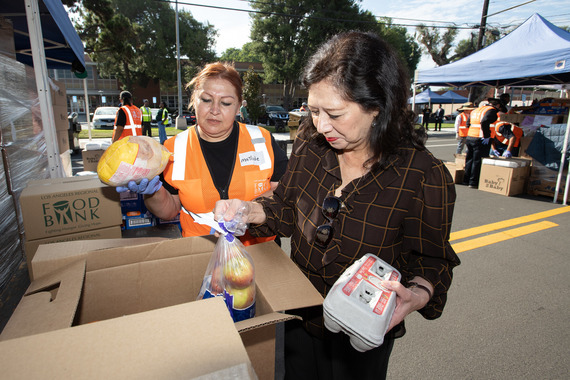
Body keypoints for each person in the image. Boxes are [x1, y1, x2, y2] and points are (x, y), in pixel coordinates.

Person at [214, 31, 460, 380]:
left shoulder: (422, 175)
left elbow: (433, 258)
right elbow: (285, 207)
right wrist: (249, 210)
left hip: (359, 335)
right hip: (299, 318)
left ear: (377, 107)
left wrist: (418, 294)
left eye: (335, 113)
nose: (321, 125)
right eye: (313, 110)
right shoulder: (312, 144)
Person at [118, 62, 288, 245]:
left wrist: (249, 209)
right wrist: (152, 193)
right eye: (206, 100)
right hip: (200, 253)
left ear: (239, 106)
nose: (214, 110)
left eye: (226, 103)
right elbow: (168, 211)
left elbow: (284, 194)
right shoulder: (173, 149)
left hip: (262, 252)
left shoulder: (261, 140)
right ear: (193, 100)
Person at [462, 98, 502, 188]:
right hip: (480, 138)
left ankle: (466, 180)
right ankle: (473, 182)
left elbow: (468, 123)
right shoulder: (491, 111)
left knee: (469, 159)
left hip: (470, 137)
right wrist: (487, 135)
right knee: (477, 161)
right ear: (497, 105)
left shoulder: (476, 110)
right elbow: (484, 121)